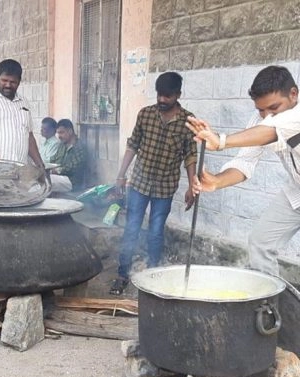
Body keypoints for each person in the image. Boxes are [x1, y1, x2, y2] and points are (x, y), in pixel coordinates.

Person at [186, 66, 300, 276]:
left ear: (294, 94)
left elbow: (273, 131)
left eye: (273, 107)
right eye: (260, 110)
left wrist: (220, 141)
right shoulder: (262, 121)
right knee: (260, 242)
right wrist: (216, 181)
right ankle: (267, 306)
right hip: (297, 191)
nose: (266, 116)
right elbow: (244, 163)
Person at [110, 72, 198, 295]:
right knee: (131, 228)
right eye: (159, 95)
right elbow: (133, 144)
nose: (161, 100)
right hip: (139, 183)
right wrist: (121, 175)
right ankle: (122, 274)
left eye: (167, 96)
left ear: (178, 95)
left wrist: (192, 185)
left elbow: (190, 155)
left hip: (165, 187)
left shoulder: (188, 122)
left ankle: (152, 277)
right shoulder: (146, 114)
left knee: (156, 232)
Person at [48, 119, 86, 193]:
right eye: (58, 133)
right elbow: (53, 160)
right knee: (40, 179)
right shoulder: (62, 145)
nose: (59, 136)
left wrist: (56, 170)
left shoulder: (80, 146)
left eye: (61, 132)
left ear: (70, 131)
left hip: (72, 181)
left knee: (47, 182)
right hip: (58, 177)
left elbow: (73, 167)